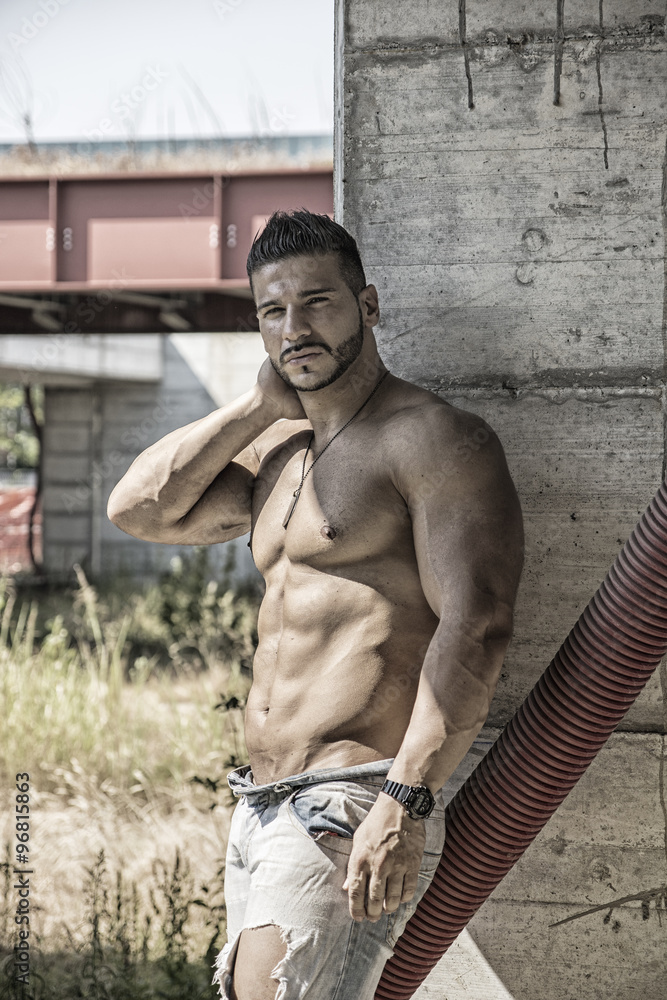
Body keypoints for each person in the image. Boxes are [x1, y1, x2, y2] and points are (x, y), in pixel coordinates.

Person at [107, 209, 524, 1000]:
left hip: (350, 796)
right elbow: (137, 509)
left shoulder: (430, 439)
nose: (294, 329)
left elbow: (477, 625)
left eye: (317, 303)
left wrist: (403, 801)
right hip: (261, 801)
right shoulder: (278, 456)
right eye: (272, 311)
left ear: (367, 305)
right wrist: (256, 408)